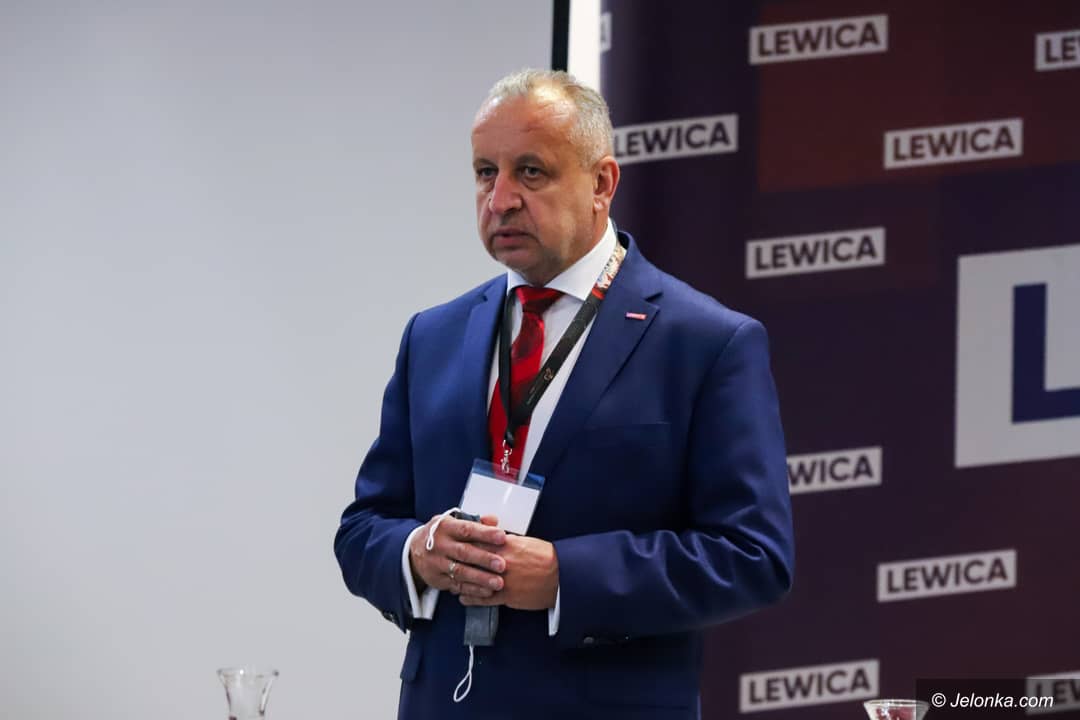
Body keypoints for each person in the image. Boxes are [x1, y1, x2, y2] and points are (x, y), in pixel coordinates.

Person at [334, 68, 794, 720]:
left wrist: (562, 577)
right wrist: (420, 553)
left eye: (531, 172)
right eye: (484, 173)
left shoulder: (706, 343)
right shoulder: (433, 336)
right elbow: (363, 528)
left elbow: (752, 556)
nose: (500, 200)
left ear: (602, 183)